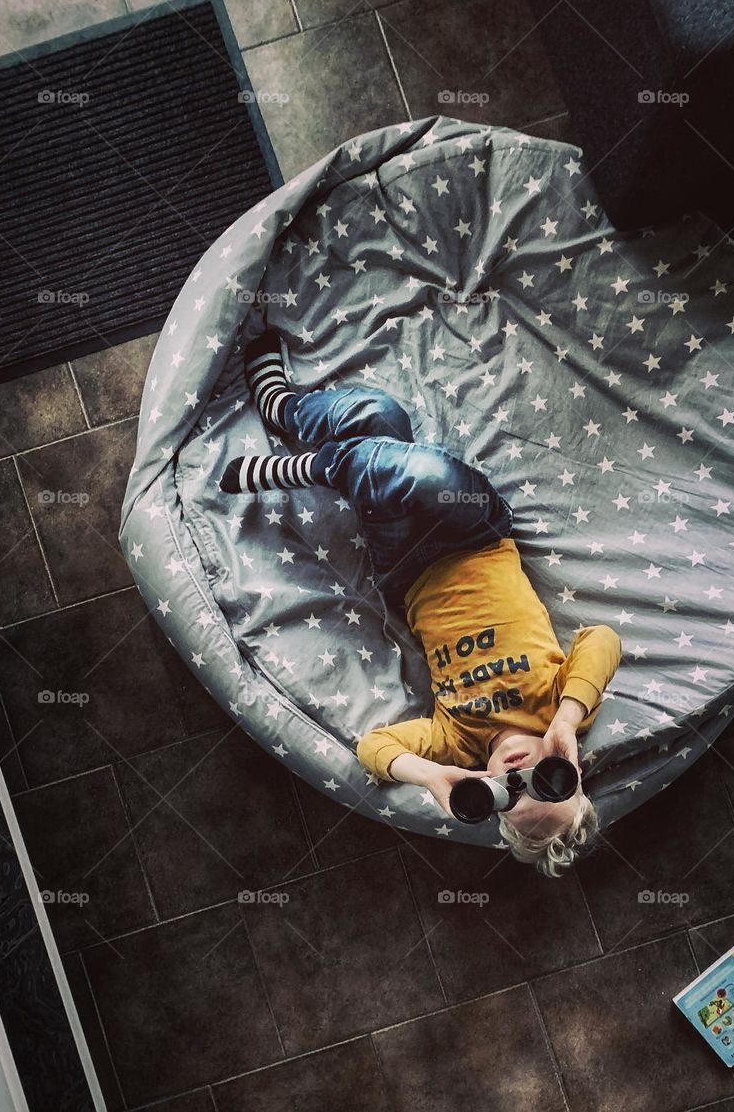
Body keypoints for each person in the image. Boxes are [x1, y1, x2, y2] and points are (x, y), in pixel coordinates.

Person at [221, 332, 623, 877]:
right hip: (478, 533)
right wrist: (567, 723)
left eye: (508, 793)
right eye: (544, 781)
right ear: (565, 768)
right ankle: (307, 464)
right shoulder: (559, 707)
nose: (518, 773)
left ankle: (283, 409)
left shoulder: (455, 742)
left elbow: (374, 747)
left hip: (404, 568)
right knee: (421, 474)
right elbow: (602, 640)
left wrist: (432, 777)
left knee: (378, 414)